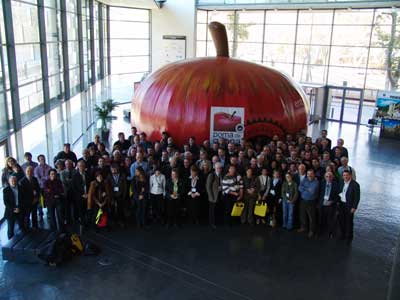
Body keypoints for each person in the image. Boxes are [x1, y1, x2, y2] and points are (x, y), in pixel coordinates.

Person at [338, 170, 360, 242]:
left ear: (350, 176)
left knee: (349, 222)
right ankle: (342, 234)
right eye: (344, 175)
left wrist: (354, 207)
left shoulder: (355, 185)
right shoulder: (341, 182)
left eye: (347, 175)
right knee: (341, 220)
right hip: (342, 204)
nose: (345, 177)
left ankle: (349, 236)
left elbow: (357, 197)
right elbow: (339, 192)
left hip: (349, 206)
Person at [3, 174, 27, 239]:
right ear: (9, 181)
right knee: (10, 229)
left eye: (15, 180)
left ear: (16, 181)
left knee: (22, 227)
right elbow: (6, 202)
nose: (13, 182)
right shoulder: (6, 190)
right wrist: (14, 209)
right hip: (10, 211)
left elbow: (24, 199)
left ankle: (24, 242)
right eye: (12, 181)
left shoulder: (21, 188)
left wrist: (19, 208)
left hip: (20, 209)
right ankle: (9, 247)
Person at [298, 169, 319, 238]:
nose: (309, 175)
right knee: (302, 215)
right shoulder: (305, 180)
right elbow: (299, 188)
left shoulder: (316, 182)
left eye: (311, 174)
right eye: (308, 174)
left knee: (312, 218)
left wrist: (304, 189)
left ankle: (311, 231)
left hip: (311, 202)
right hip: (303, 200)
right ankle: (303, 227)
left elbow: (312, 191)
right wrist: (307, 189)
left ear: (314, 174)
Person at [318, 171, 339, 238]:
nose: (328, 178)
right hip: (322, 204)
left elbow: (338, 196)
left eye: (330, 176)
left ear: (333, 177)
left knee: (330, 220)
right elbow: (319, 193)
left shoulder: (336, 184)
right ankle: (321, 231)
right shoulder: (322, 183)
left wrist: (332, 201)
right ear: (325, 177)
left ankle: (329, 233)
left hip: (331, 205)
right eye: (327, 176)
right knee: (322, 218)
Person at [34, 154, 52, 222]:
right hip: (40, 187)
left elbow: (50, 177)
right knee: (39, 202)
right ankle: (40, 215)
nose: (43, 160)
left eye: (43, 158)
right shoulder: (36, 169)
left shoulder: (49, 167)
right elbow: (37, 179)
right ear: (39, 160)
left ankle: (49, 213)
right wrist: (45, 178)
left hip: (48, 187)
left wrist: (43, 178)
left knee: (48, 200)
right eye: (41, 159)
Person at [72, 160, 91, 225]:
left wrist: (89, 194)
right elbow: (74, 188)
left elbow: (91, 185)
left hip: (89, 195)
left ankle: (89, 222)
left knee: (89, 210)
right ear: (77, 166)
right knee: (81, 211)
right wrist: (82, 195)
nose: (81, 167)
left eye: (83, 166)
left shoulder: (89, 174)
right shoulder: (75, 176)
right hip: (80, 196)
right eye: (80, 166)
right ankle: (83, 224)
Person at [206, 162, 223, 228]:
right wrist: (211, 197)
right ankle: (212, 223)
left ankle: (217, 222)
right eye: (218, 168)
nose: (219, 169)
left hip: (219, 195)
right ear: (215, 168)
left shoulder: (221, 175)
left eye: (220, 168)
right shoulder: (211, 175)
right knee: (212, 211)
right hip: (213, 196)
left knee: (217, 209)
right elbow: (208, 187)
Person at [60, 159, 76, 225]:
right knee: (67, 207)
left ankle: (75, 218)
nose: (68, 165)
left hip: (74, 191)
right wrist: (71, 181)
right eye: (66, 164)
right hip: (66, 191)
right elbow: (63, 182)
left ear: (72, 164)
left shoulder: (75, 171)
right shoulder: (62, 172)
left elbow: (75, 181)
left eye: (69, 164)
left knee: (75, 206)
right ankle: (68, 219)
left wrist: (69, 180)